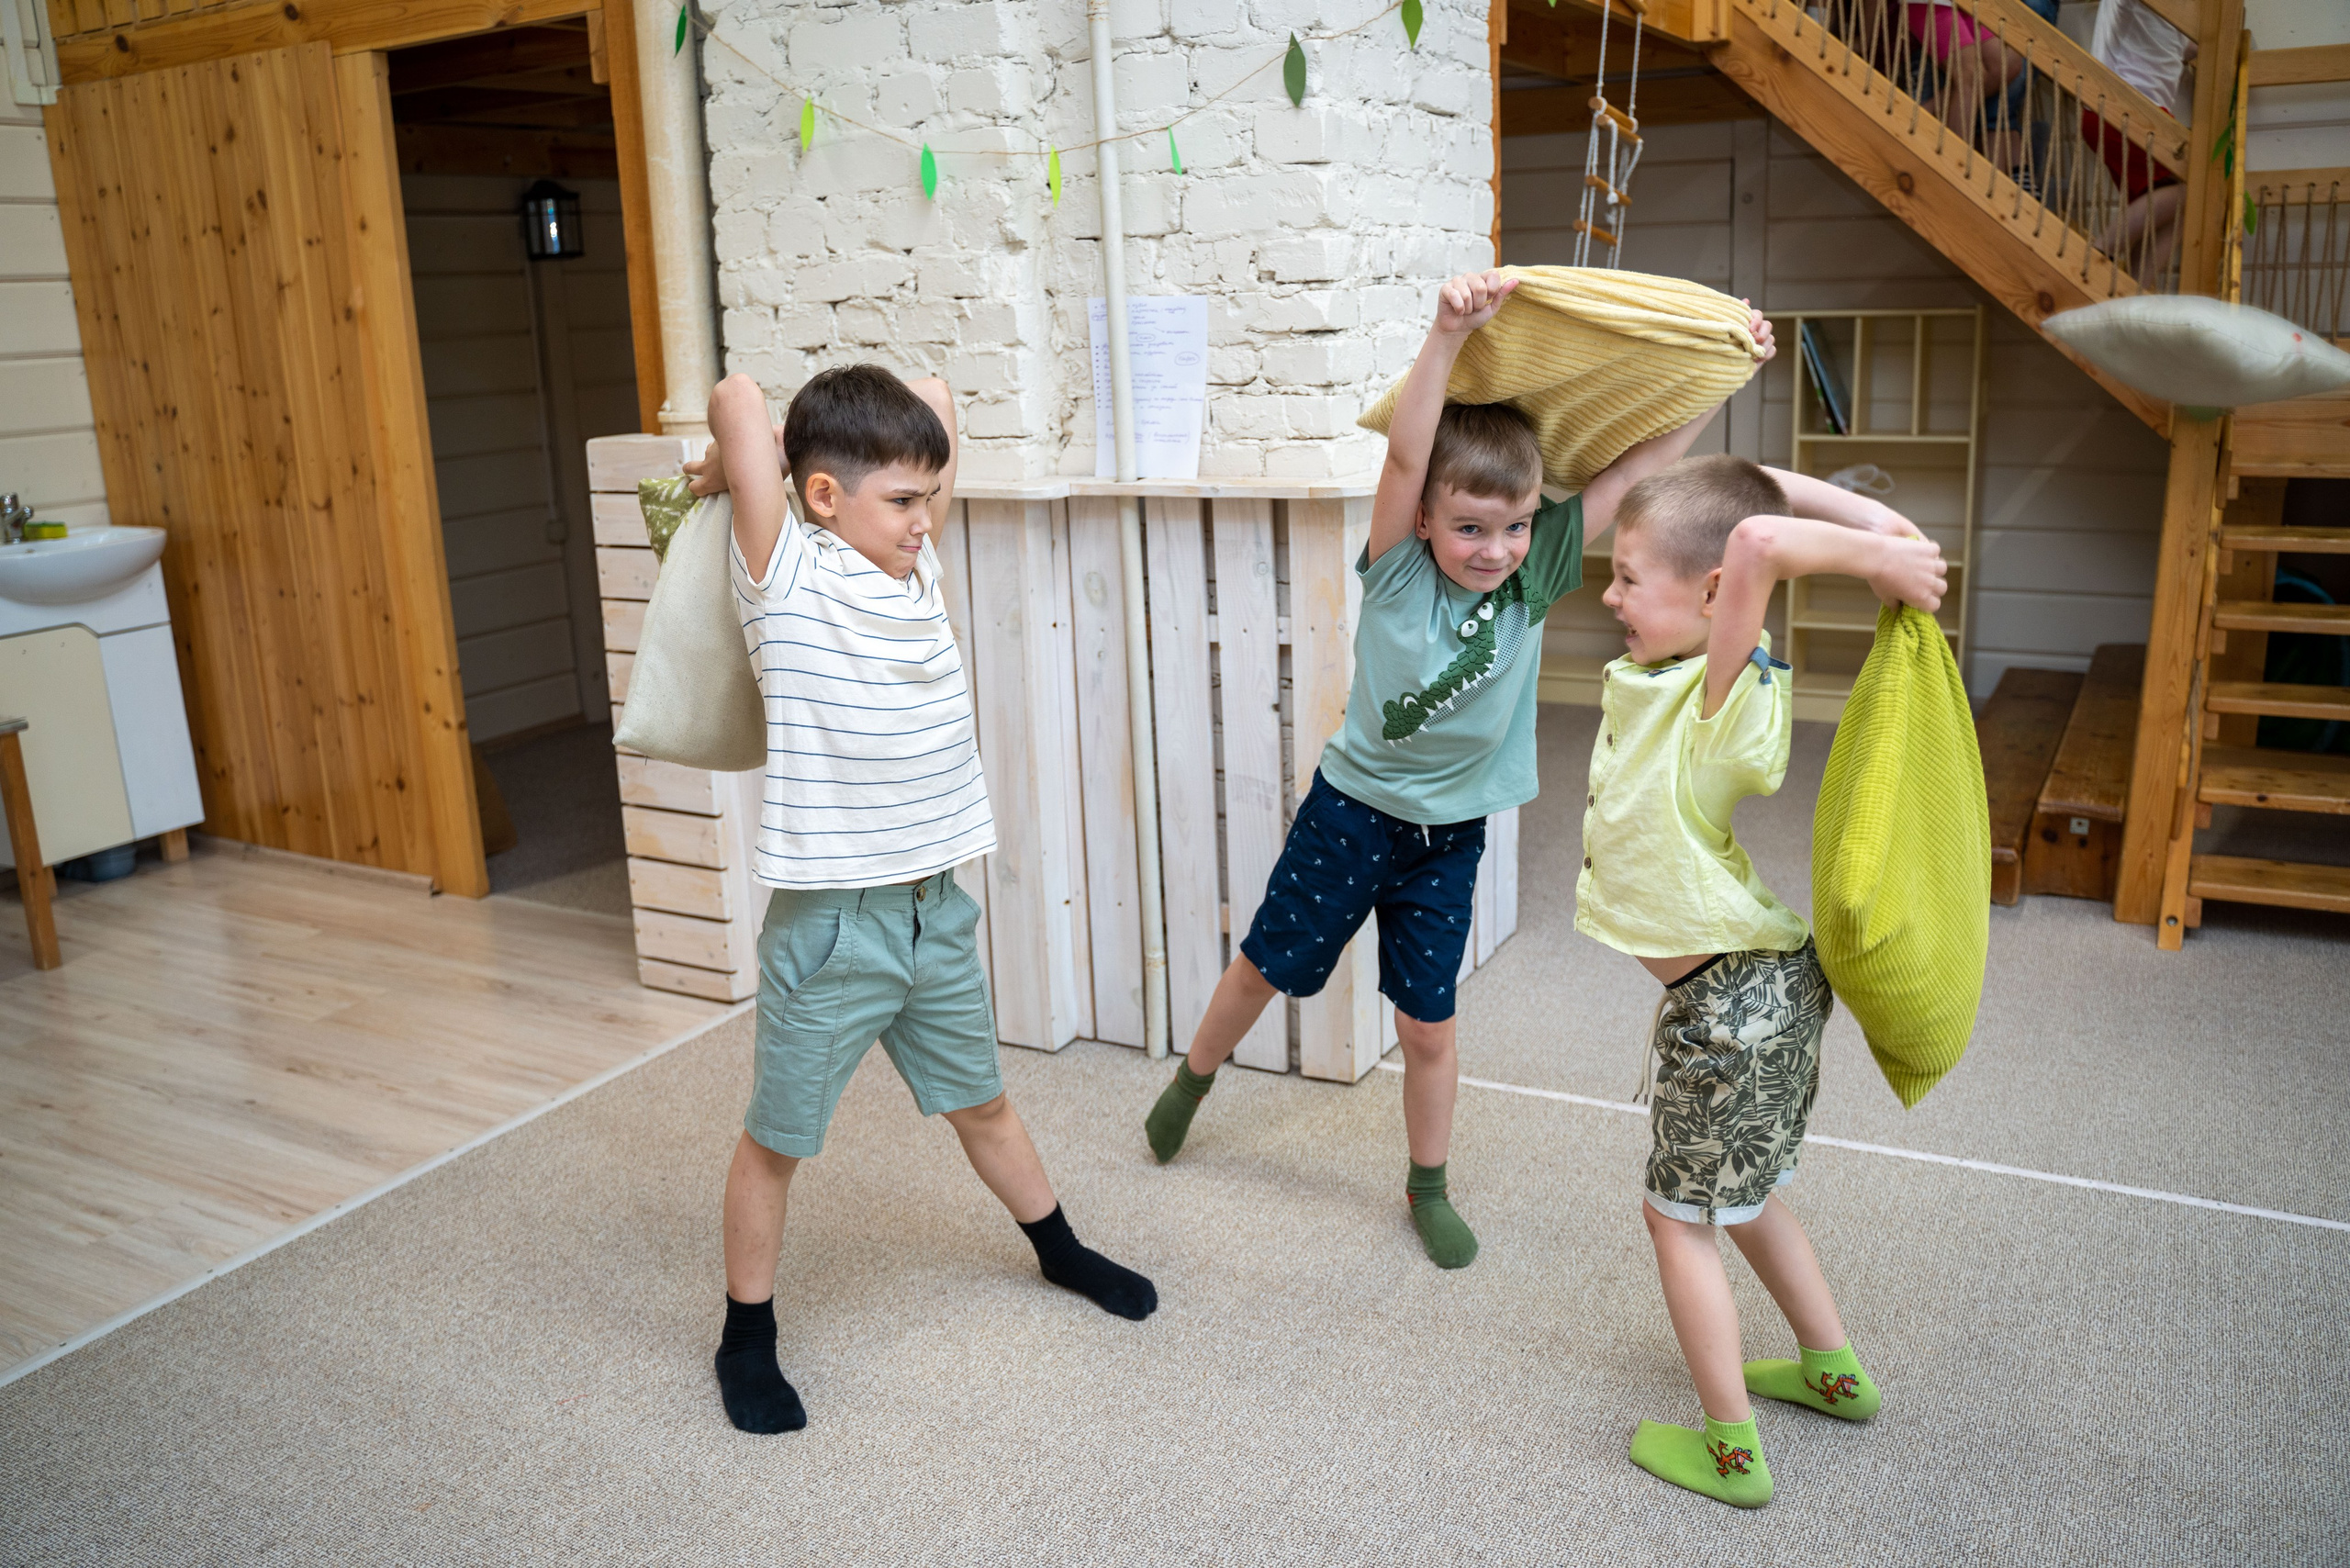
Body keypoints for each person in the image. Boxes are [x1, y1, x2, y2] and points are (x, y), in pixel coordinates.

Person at [1143, 270, 1776, 1271]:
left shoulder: (1535, 571)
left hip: (1447, 836)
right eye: (1471, 528)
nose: (1495, 549)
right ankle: (1191, 1077)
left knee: (1426, 1023)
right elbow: (1405, 450)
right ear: (1428, 522)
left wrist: (1725, 371)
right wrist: (1445, 334)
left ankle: (1424, 1184)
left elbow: (1637, 466)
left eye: (1514, 526)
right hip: (1349, 814)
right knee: (1265, 967)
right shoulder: (1394, 564)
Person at [686, 364, 1157, 1436]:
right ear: (817, 496)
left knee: (982, 1100)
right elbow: (737, 393)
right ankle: (743, 1335)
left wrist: (896, 476)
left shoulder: (915, 569)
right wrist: (727, 471)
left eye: (927, 498)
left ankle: (1059, 1248)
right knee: (779, 1138)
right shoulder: (785, 574)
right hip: (832, 924)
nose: (924, 518)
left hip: (931, 911)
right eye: (902, 501)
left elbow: (937, 393)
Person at [1579, 453, 1946, 1506]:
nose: (1607, 594)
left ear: (1706, 599)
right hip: (1756, 994)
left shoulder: (1720, 689)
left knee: (1675, 1219)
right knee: (1747, 1200)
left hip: (1729, 1010)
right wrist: (1846, 505)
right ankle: (1832, 1373)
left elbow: (1752, 541)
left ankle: (1731, 1455)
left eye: (1627, 575)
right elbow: (1748, 509)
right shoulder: (1670, 674)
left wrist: (1885, 561)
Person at [2082, 0, 2196, 278]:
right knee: (2192, 193)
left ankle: (2133, 290)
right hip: (2123, 107)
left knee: (2182, 207)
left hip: (2134, 114)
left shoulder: (2179, 18)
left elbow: (2191, 45)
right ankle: (2100, 253)